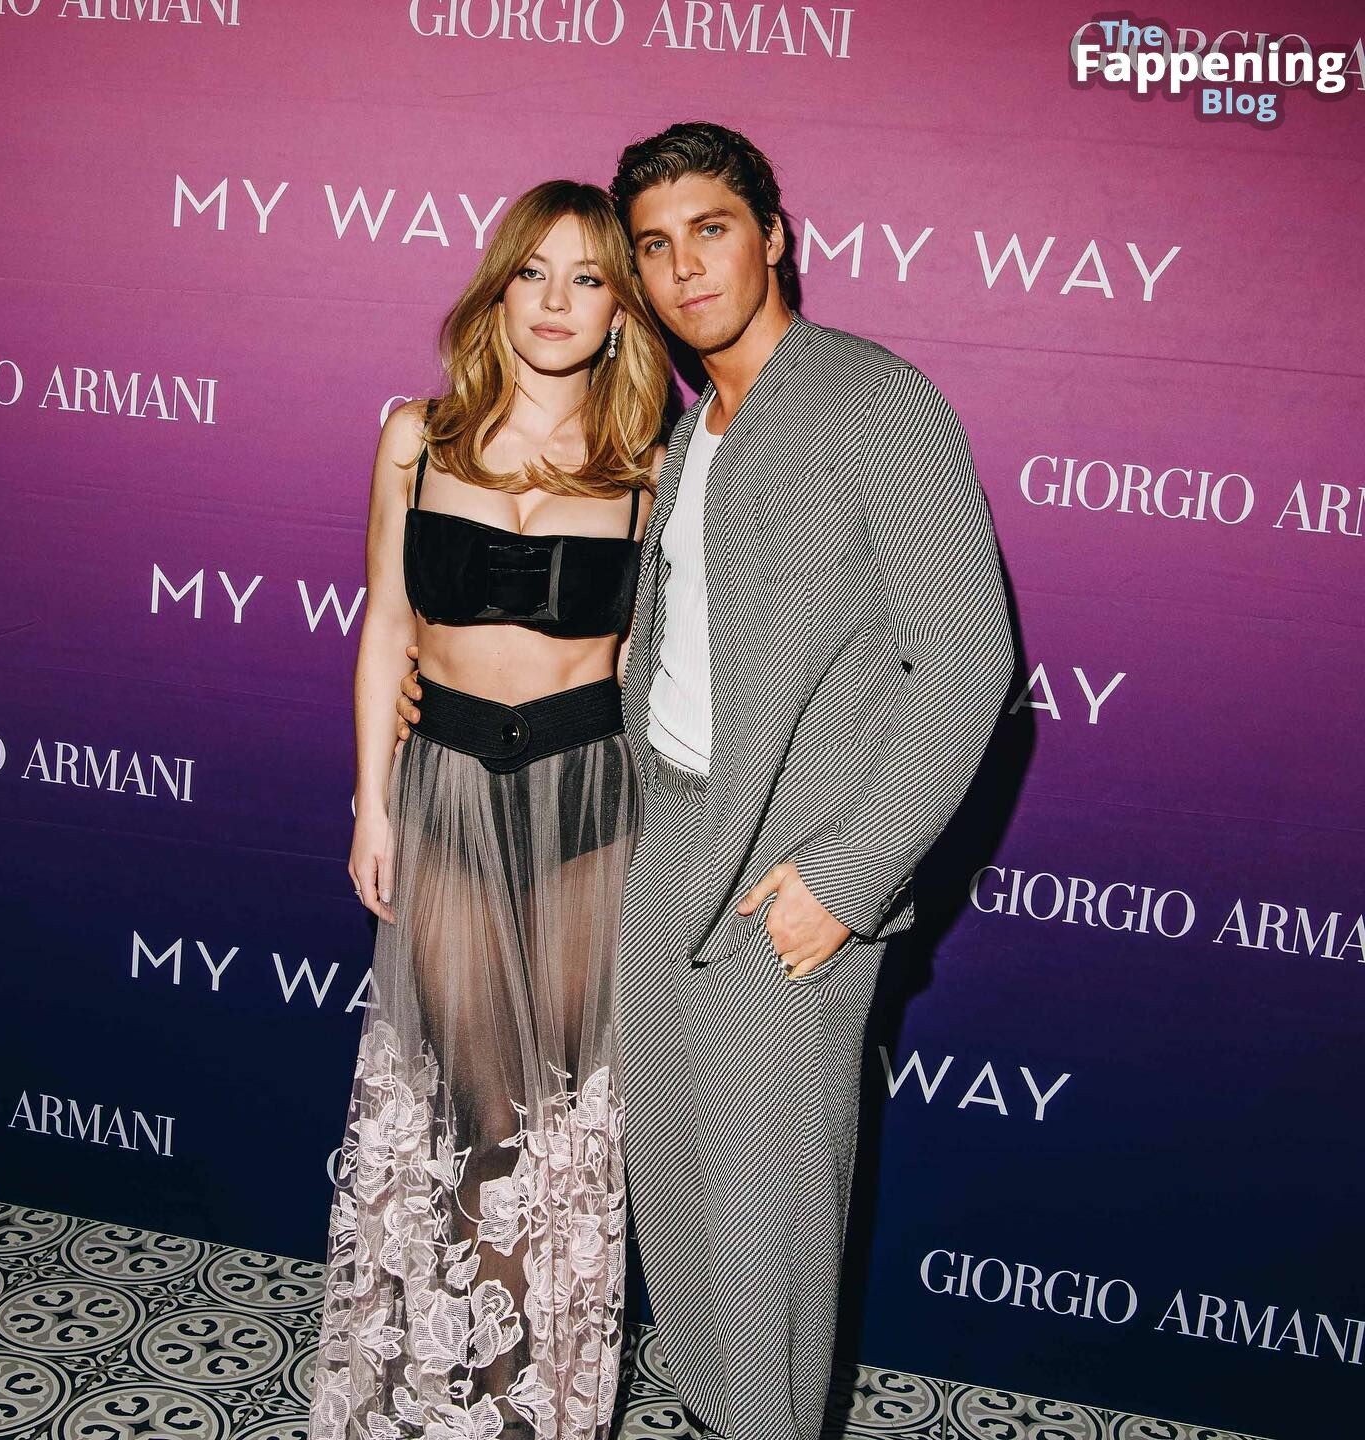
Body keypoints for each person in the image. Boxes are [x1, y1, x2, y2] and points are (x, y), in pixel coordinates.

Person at [397, 125, 1015, 1440]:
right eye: (656, 247)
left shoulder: (872, 402)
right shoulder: (686, 436)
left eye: (712, 230)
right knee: (680, 1212)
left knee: (765, 1234)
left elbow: (969, 659)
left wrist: (846, 878)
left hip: (792, 884)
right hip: (664, 846)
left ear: (775, 237)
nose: (684, 268)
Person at [309, 180, 668, 1440]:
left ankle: (534, 1411)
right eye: (534, 272)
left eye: (590, 278)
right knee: (480, 1112)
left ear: (621, 312)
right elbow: (385, 627)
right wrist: (372, 805)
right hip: (447, 793)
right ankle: (466, 1394)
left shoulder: (654, 468)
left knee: (561, 1117)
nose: (557, 301)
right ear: (497, 288)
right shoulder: (416, 437)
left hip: (591, 806)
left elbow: (660, 667)